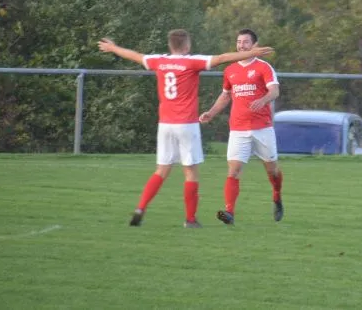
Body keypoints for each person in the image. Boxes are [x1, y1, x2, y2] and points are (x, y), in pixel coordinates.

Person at [97, 29, 273, 228]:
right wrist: (252, 53)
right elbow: (222, 58)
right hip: (187, 124)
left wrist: (112, 48)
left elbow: (135, 55)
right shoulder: (192, 62)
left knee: (161, 170)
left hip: (165, 125)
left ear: (170, 45)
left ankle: (141, 207)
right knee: (191, 173)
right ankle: (190, 219)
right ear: (187, 45)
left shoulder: (159, 61)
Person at [200, 28, 282, 226]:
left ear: (254, 45)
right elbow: (226, 95)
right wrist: (211, 112)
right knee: (234, 171)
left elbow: (274, 91)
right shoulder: (230, 70)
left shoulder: (263, 67)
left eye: (245, 42)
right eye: (239, 42)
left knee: (272, 171)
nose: (241, 46)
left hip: (262, 128)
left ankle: (277, 195)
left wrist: (263, 100)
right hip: (238, 129)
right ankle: (229, 212)